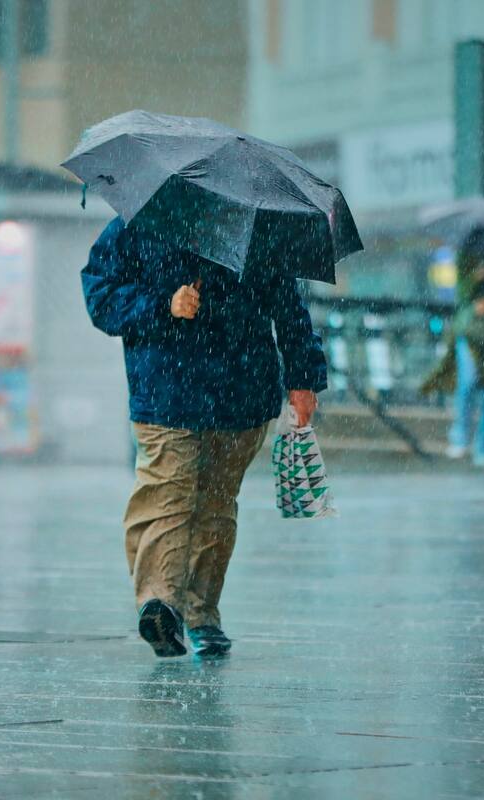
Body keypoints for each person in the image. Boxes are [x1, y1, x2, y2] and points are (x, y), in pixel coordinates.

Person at [81, 217, 327, 659]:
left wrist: (303, 379)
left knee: (215, 504)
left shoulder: (256, 232)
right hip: (166, 393)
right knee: (167, 493)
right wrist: (162, 304)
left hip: (241, 394)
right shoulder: (136, 227)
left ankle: (201, 613)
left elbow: (289, 308)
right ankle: (160, 604)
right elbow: (100, 297)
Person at [422, 248, 484, 467]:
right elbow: (461, 292)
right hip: (470, 331)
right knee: (467, 382)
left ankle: (483, 446)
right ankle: (459, 437)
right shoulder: (468, 255)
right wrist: (475, 278)